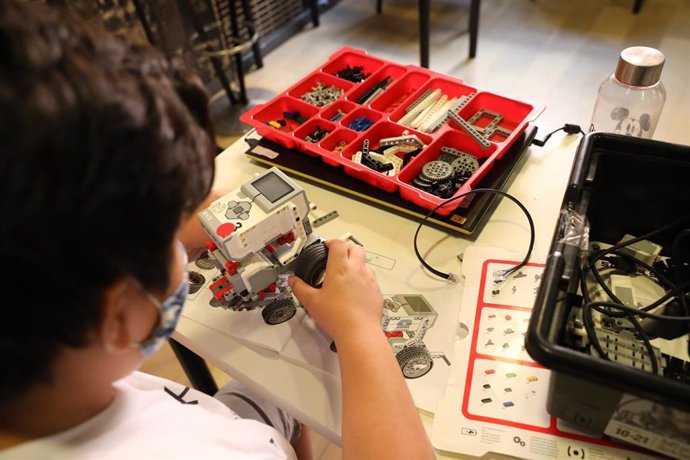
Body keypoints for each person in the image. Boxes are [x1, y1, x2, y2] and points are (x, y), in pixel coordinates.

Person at [0, 2, 435, 459]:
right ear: (117, 315)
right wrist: (360, 329)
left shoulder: (43, 366)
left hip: (212, 419)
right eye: (169, 233)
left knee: (278, 399)